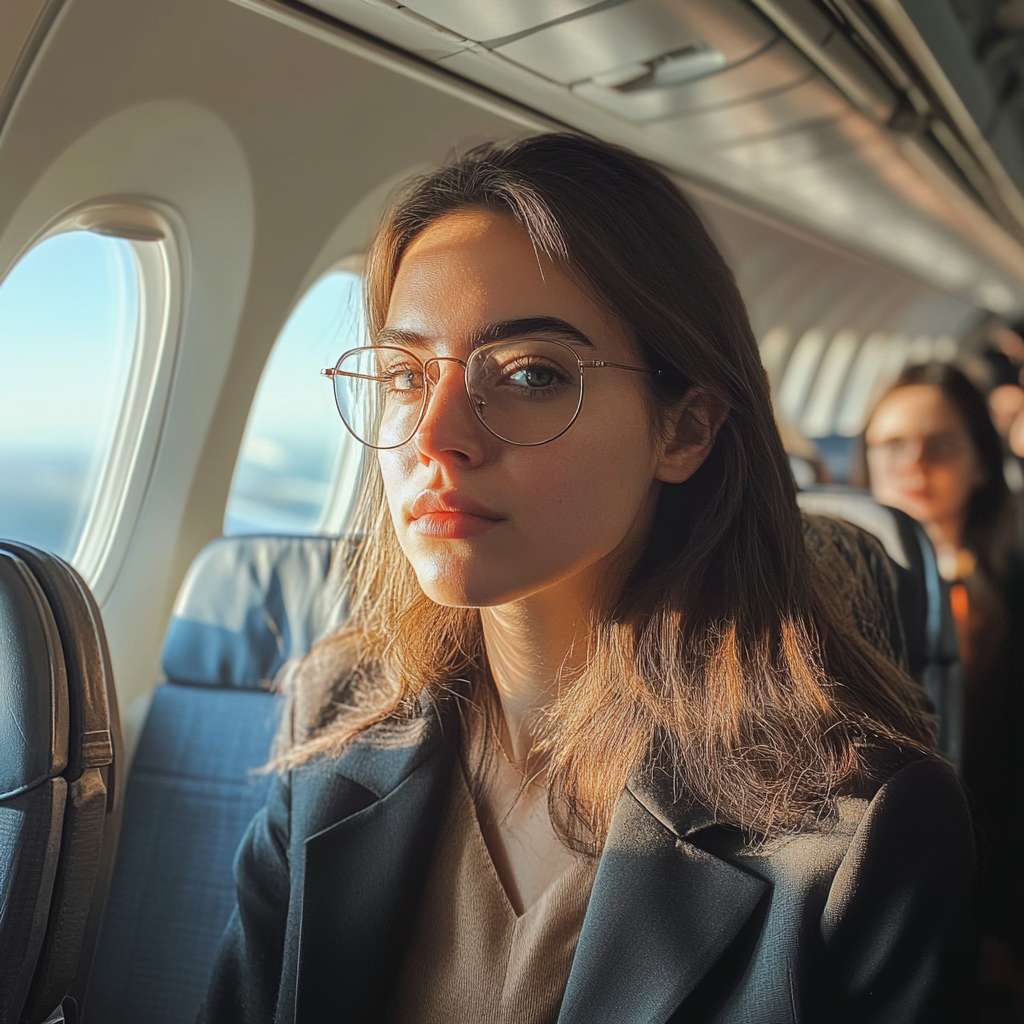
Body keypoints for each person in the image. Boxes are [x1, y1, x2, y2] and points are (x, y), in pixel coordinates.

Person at [200, 134, 973, 1024]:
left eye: (531, 374)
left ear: (683, 431)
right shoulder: (331, 720)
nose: (436, 436)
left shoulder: (860, 833)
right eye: (407, 375)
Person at [865, 362, 1024, 1017]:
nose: (915, 463)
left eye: (940, 445)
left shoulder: (1006, 590)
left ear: (981, 465)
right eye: (893, 445)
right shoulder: (829, 590)